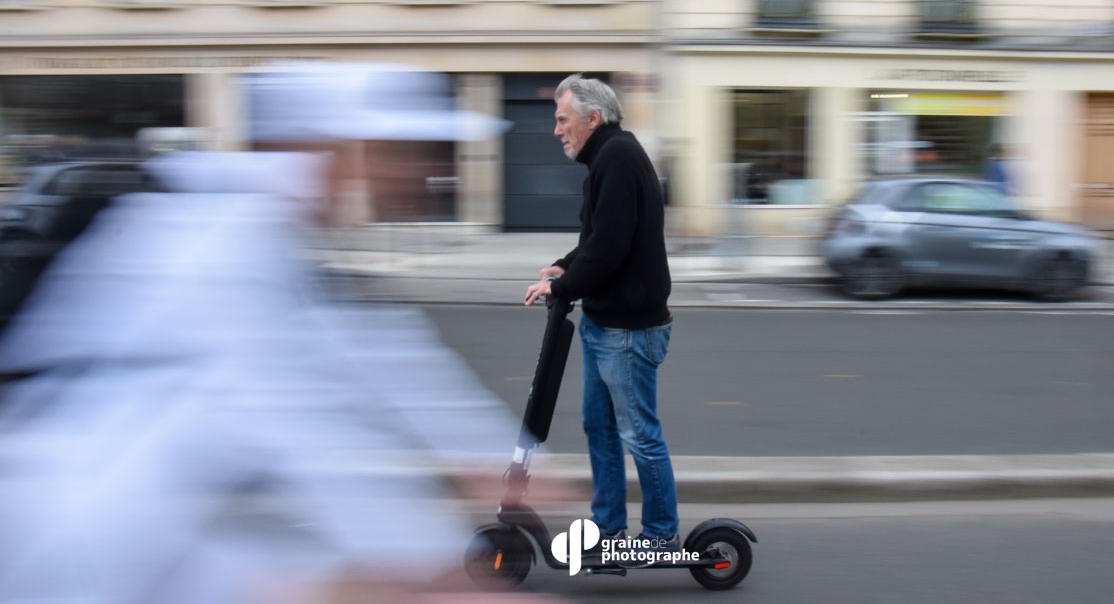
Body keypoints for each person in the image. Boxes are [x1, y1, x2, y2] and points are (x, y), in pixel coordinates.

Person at [0, 62, 529, 604]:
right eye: (397, 151)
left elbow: (383, 355)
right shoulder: (219, 242)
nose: (420, 173)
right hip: (92, 537)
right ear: (331, 152)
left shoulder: (276, 237)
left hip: (159, 525)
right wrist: (425, 560)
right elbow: (294, 416)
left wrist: (494, 459)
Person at [522, 74, 679, 560]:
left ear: (593, 118)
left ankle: (661, 534)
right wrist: (566, 266)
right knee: (600, 426)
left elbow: (611, 247)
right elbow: (602, 239)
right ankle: (608, 526)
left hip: (628, 330)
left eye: (562, 119)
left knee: (638, 434)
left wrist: (562, 287)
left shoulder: (617, 158)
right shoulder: (609, 159)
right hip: (605, 323)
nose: (556, 130)